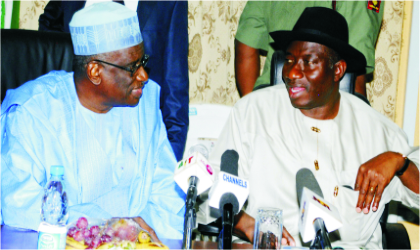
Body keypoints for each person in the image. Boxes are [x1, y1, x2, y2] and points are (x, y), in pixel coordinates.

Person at [203, 7, 419, 249]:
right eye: (290, 60)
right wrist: (243, 223)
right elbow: (209, 191)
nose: (293, 72)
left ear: (337, 70)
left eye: (308, 61)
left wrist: (401, 164)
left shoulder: (376, 130)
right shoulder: (252, 113)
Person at [1, 2, 185, 240]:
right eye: (133, 67)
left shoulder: (145, 106)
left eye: (143, 61)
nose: (144, 76)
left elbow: (169, 204)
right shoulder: (32, 112)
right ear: (95, 71)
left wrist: (133, 238)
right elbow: (17, 204)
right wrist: (104, 226)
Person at [39, 0, 189, 161]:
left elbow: (175, 90)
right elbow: (51, 52)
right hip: (73, 143)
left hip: (136, 147)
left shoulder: (169, 4)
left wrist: (169, 166)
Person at [235, 1, 383, 97]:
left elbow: (245, 47)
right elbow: (354, 70)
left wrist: (251, 106)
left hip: (271, 95)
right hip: (323, 105)